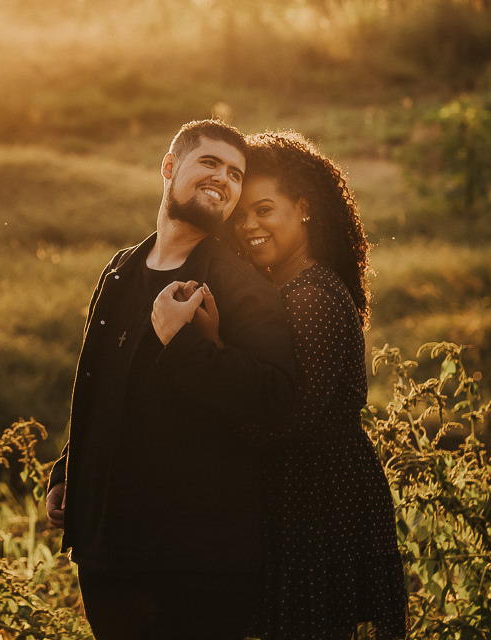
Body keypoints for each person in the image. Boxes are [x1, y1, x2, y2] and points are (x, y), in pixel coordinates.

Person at [45, 119, 297, 640]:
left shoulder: (237, 283)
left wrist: (182, 346)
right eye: (210, 163)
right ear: (168, 167)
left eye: (234, 173)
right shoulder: (120, 270)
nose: (223, 179)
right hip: (110, 556)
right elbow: (104, 388)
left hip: (196, 563)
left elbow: (276, 395)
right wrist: (70, 472)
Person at [159, 130, 408, 639]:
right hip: (298, 502)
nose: (249, 225)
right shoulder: (284, 290)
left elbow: (281, 422)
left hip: (321, 507)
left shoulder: (311, 297)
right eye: (242, 214)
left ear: (304, 207)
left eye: (265, 210)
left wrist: (205, 353)